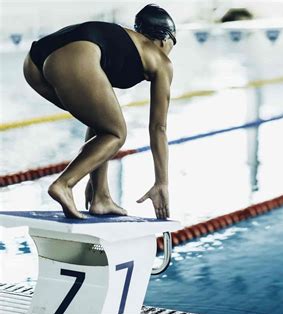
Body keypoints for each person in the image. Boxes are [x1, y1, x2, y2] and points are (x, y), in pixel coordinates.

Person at [22, 4, 176, 220]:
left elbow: (97, 120)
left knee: (104, 125)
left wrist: (94, 182)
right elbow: (158, 127)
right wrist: (162, 182)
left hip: (34, 63)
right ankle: (64, 184)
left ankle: (101, 197)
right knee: (116, 133)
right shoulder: (161, 60)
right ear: (164, 40)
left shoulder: (122, 43)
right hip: (72, 58)